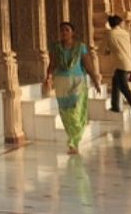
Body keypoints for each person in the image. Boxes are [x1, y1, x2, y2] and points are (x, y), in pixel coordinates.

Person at [43, 21, 100, 154]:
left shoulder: (80, 47)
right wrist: (48, 77)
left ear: (72, 33)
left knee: (76, 111)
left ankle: (74, 141)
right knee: (66, 113)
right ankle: (72, 142)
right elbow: (52, 64)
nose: (64, 32)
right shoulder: (56, 47)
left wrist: (95, 80)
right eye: (62, 30)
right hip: (61, 83)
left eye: (67, 30)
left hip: (77, 82)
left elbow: (87, 64)